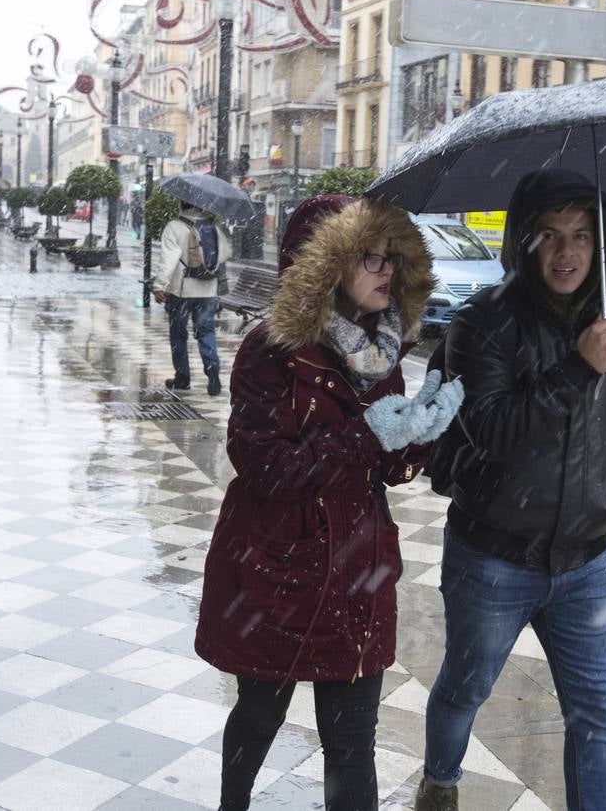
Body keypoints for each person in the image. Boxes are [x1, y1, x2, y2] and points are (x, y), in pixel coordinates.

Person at [195, 194, 464, 811]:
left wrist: (422, 434)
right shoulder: (271, 351)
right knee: (260, 715)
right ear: (325, 266)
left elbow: (388, 470)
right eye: (368, 259)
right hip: (277, 565)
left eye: (389, 258)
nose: (386, 271)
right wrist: (368, 434)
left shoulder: (383, 349)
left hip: (357, 565)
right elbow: (266, 468)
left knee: (352, 742)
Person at [416, 169, 606, 811]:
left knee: (597, 718)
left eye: (581, 235)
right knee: (465, 689)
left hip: (588, 561)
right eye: (549, 235)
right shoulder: (483, 323)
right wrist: (577, 368)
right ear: (524, 241)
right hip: (494, 557)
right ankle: (441, 778)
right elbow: (491, 431)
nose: (567, 252)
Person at [152, 202, 234, 395]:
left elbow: (168, 259)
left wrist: (159, 285)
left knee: (178, 335)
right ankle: (212, 371)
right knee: (206, 332)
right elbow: (225, 254)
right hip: (207, 290)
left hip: (182, 291)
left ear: (181, 205)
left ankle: (182, 378)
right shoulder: (212, 226)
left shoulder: (175, 226)